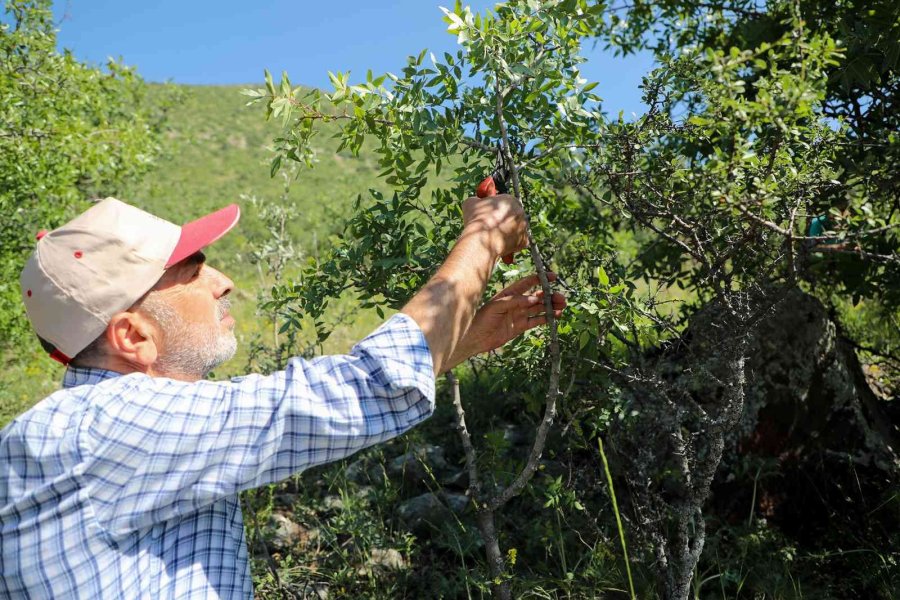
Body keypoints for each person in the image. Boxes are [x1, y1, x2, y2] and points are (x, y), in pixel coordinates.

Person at [0, 195, 565, 598]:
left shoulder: (91, 430)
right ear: (133, 336)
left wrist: (457, 340)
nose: (220, 279)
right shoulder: (106, 427)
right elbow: (364, 389)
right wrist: (484, 238)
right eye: (190, 267)